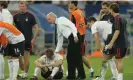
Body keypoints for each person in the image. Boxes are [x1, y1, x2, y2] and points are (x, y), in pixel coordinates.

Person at [87, 13, 127, 80]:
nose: (89, 27)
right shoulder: (102, 22)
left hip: (110, 40)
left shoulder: (94, 25)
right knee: (112, 59)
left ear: (92, 22)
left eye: (88, 24)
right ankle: (115, 76)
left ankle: (104, 77)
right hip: (116, 39)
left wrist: (100, 50)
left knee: (106, 60)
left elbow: (96, 38)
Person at [47, 12, 86, 79]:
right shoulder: (58, 27)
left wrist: (75, 35)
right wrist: (56, 51)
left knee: (76, 57)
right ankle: (73, 76)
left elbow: (72, 25)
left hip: (74, 37)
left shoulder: (61, 19)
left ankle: (79, 76)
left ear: (53, 17)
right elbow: (60, 40)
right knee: (70, 58)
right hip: (71, 39)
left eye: (49, 19)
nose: (48, 21)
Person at [68, 1, 94, 77]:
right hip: (81, 37)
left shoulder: (74, 14)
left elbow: (73, 27)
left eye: (70, 3)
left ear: (73, 4)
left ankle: (85, 72)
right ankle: (82, 72)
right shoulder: (80, 12)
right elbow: (84, 25)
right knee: (79, 55)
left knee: (78, 56)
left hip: (77, 37)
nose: (69, 5)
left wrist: (76, 35)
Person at [13, 1, 38, 78]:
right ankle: (23, 71)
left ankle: (25, 73)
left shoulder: (31, 16)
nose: (21, 7)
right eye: (20, 6)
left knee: (26, 57)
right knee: (18, 57)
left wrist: (34, 38)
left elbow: (36, 28)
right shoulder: (15, 16)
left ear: (26, 7)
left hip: (27, 40)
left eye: (23, 6)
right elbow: (12, 27)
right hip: (18, 40)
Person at [0, 16, 25, 80]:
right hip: (10, 41)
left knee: (15, 58)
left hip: (18, 40)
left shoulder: (1, 25)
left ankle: (14, 78)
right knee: (9, 57)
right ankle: (10, 77)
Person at [98, 2, 118, 79]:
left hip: (111, 41)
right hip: (106, 40)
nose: (103, 10)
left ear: (109, 8)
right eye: (102, 8)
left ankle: (102, 77)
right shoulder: (104, 16)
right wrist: (100, 15)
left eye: (105, 8)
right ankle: (115, 76)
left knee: (107, 59)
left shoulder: (112, 16)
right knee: (110, 60)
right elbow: (97, 24)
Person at [109, 3, 128, 80]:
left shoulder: (117, 19)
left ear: (112, 10)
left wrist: (111, 43)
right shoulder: (123, 18)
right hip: (123, 42)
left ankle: (120, 78)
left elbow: (117, 31)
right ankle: (118, 77)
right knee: (116, 59)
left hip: (119, 43)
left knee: (119, 60)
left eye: (110, 9)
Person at [0, 1, 13, 79]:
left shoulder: (5, 13)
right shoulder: (5, 13)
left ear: (1, 6)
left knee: (1, 55)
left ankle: (1, 75)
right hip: (5, 35)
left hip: (4, 35)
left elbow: (6, 25)